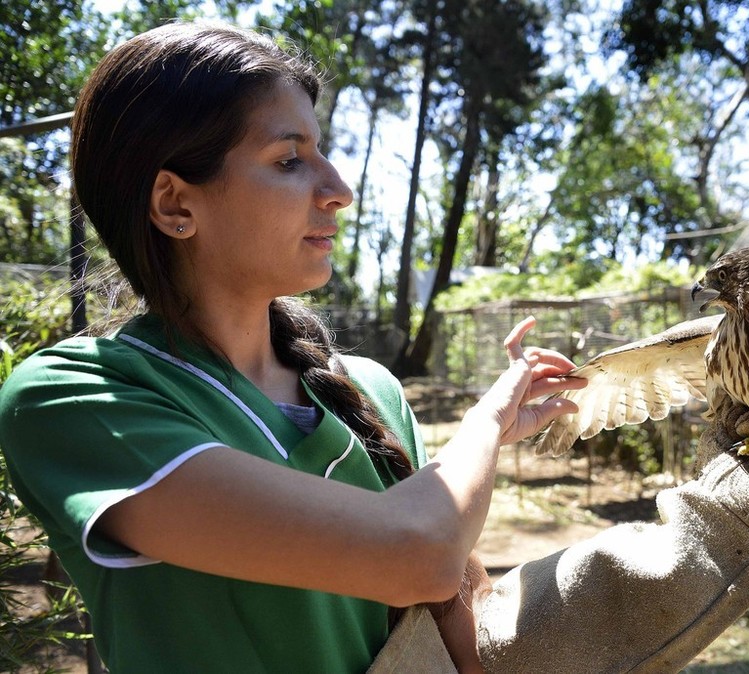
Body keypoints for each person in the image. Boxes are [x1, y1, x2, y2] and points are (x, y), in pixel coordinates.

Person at [0, 21, 585, 673]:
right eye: (288, 160)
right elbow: (417, 555)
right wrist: (488, 421)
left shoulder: (369, 389)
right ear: (174, 205)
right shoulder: (76, 400)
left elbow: (470, 646)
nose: (338, 190)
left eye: (323, 152)